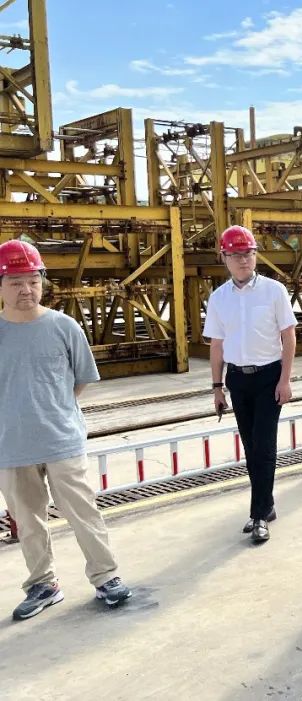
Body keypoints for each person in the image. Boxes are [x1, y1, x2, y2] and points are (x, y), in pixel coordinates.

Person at [0, 240, 132, 620]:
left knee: (83, 513)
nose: (26, 290)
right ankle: (43, 584)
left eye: (33, 281)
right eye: (16, 282)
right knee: (28, 521)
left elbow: (80, 379)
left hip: (62, 441)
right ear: (1, 285)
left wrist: (53, 410)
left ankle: (106, 577)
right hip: (11, 445)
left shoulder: (63, 326)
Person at [203, 225, 297, 543]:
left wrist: (285, 379)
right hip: (238, 380)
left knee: (264, 447)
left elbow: (288, 337)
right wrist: (217, 387)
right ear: (224, 257)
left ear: (255, 255)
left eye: (248, 253)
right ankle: (266, 506)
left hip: (269, 376)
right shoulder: (219, 298)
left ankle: (258, 516)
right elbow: (217, 345)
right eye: (236, 255)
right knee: (250, 447)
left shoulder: (274, 291)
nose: (243, 260)